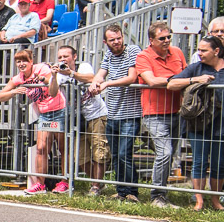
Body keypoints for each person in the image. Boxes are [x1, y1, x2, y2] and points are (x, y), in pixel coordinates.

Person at [166, 36, 224, 210]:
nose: (199, 53)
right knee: (199, 162)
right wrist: (195, 80)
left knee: (219, 163)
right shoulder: (196, 68)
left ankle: (215, 200)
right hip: (198, 124)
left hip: (221, 124)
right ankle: (199, 200)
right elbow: (171, 84)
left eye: (204, 50)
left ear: (216, 51)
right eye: (199, 49)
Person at [0, 50, 68, 194]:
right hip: (44, 114)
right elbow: (1, 96)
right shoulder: (18, 78)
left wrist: (42, 78)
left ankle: (64, 182)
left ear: (31, 61)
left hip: (59, 110)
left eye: (24, 61)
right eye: (18, 61)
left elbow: (53, 87)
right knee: (41, 149)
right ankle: (40, 184)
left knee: (62, 148)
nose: (21, 64)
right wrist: (14, 92)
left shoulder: (41, 68)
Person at [135, 22, 187, 207]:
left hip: (176, 112)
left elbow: (186, 74)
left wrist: (183, 81)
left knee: (170, 154)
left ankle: (162, 194)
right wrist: (177, 81)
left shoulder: (177, 52)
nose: (166, 41)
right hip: (154, 113)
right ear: (151, 40)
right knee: (164, 153)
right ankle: (156, 196)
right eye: (162, 38)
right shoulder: (143, 56)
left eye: (168, 37)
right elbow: (151, 80)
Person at [92, 25, 143, 202]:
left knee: (124, 154)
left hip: (130, 114)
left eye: (118, 38)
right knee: (116, 156)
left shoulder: (132, 51)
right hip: (112, 113)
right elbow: (100, 74)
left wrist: (107, 84)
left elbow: (132, 77)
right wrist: (95, 83)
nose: (117, 42)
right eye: (112, 40)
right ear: (106, 42)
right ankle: (122, 191)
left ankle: (132, 192)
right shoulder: (108, 55)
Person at [56, 45, 109, 195]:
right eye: (60, 57)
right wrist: (53, 75)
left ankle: (95, 187)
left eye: (66, 56)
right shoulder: (60, 73)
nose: (62, 59)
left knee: (99, 151)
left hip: (96, 114)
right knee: (80, 155)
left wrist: (71, 73)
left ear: (74, 57)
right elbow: (52, 90)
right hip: (76, 118)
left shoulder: (83, 66)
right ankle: (97, 182)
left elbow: (91, 78)